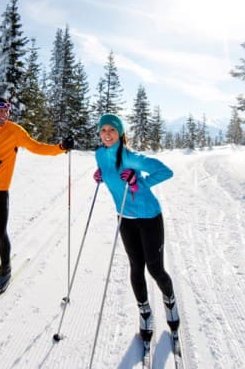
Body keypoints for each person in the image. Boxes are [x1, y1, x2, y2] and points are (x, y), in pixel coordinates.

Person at [0, 96, 74, 296]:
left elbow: (37, 147)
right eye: (0, 111)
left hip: (0, 191)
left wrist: (60, 147)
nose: (4, 115)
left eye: (7, 112)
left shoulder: (15, 131)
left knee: (0, 231)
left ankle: (5, 270)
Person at [93, 113, 179, 342]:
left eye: (112, 130)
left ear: (121, 133)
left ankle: (169, 300)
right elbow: (110, 175)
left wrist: (137, 182)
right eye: (103, 130)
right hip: (124, 217)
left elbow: (165, 171)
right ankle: (144, 312)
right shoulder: (100, 154)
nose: (107, 134)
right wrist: (101, 175)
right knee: (135, 267)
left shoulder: (132, 158)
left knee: (155, 268)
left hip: (149, 216)